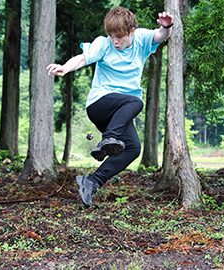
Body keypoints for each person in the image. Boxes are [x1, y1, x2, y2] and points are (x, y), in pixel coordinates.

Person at [47, 7, 173, 208]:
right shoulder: (103, 45)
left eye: (119, 37)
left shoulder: (141, 39)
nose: (115, 41)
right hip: (100, 104)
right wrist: (65, 67)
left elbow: (160, 36)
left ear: (131, 31)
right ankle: (108, 140)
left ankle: (92, 182)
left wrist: (167, 26)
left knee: (133, 148)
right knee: (135, 101)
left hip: (120, 112)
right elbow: (83, 58)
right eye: (111, 36)